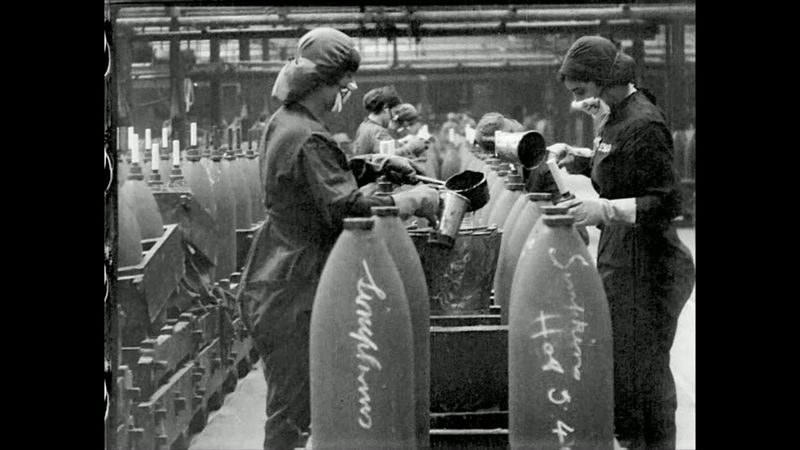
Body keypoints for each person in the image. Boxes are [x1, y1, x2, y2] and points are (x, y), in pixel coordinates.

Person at [235, 27, 440, 450]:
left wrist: (374, 164)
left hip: (276, 270)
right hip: (296, 286)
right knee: (294, 410)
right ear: (325, 82)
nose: (348, 90)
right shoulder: (309, 135)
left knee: (295, 402)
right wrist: (413, 200)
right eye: (344, 81)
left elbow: (314, 181)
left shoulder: (287, 121)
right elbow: (348, 209)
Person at [548, 35, 695, 450]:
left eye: (581, 90)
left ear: (604, 80)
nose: (578, 101)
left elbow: (667, 202)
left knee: (645, 378)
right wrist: (578, 155)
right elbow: (618, 164)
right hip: (624, 259)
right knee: (625, 373)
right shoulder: (615, 114)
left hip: (650, 266)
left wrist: (604, 210)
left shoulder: (644, 123)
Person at [352, 85, 402, 155]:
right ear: (385, 108)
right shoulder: (379, 132)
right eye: (395, 112)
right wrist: (413, 144)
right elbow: (394, 157)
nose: (395, 117)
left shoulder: (363, 126)